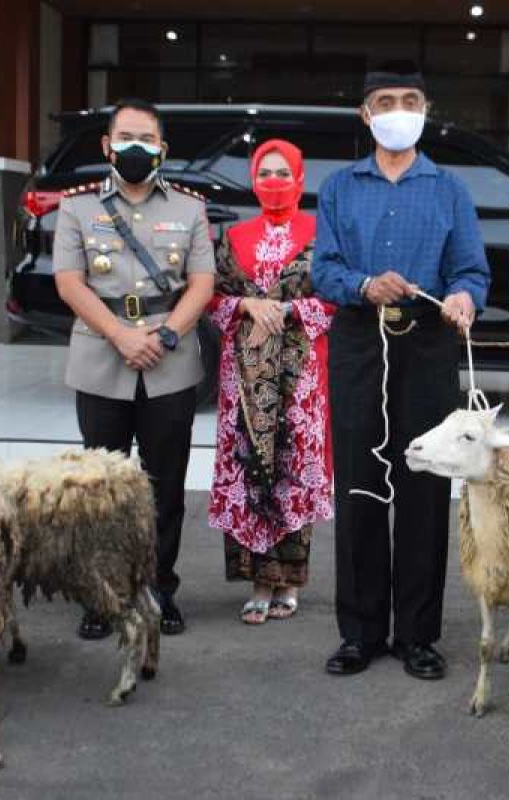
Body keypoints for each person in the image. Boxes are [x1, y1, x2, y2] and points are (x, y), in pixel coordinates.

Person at [312, 66, 490, 679]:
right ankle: (360, 633)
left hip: (429, 345)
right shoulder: (339, 188)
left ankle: (417, 635)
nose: (398, 110)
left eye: (409, 100)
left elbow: (472, 270)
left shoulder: (449, 190)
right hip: (361, 342)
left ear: (425, 108)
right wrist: (363, 284)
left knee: (423, 487)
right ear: (367, 115)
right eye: (385, 102)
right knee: (361, 485)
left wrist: (465, 297)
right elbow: (324, 270)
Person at [53, 97, 215, 639]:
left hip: (169, 359)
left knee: (164, 486)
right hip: (102, 357)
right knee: (99, 485)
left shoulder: (190, 209)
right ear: (107, 146)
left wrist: (165, 334)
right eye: (126, 138)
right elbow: (70, 282)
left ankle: (157, 588)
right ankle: (100, 592)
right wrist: (121, 334)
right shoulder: (76, 208)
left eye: (147, 140)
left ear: (163, 150)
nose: (136, 149)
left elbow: (203, 284)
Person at [207, 140, 334, 625]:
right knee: (250, 471)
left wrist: (284, 309)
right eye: (266, 172)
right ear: (253, 178)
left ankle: (288, 581)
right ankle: (258, 580)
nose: (275, 181)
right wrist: (244, 306)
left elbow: (336, 300)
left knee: (290, 470)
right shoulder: (234, 236)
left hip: (298, 379)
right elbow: (211, 297)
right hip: (241, 377)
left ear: (300, 178)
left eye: (285, 172)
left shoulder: (323, 232)